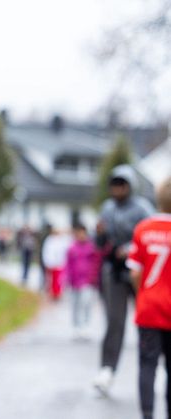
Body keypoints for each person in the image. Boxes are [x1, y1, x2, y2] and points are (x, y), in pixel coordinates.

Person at [93, 164, 154, 395]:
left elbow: (149, 238)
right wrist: (99, 234)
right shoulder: (107, 209)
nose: (118, 189)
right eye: (114, 184)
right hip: (114, 272)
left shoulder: (142, 208)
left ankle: (150, 367)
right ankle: (107, 369)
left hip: (138, 272)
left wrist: (130, 249)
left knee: (146, 320)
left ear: (130, 185)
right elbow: (98, 244)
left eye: (123, 184)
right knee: (115, 321)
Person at [126, 176, 171, 419]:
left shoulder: (144, 228)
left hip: (150, 308)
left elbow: (135, 271)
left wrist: (142, 292)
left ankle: (147, 414)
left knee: (147, 365)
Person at [63, 223, 100, 339]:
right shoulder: (72, 248)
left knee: (86, 303)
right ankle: (76, 326)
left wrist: (94, 278)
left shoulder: (91, 247)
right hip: (74, 281)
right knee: (75, 305)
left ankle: (85, 325)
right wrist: (67, 278)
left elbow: (96, 263)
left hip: (87, 281)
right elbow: (68, 264)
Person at [41, 228, 71, 300]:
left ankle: (57, 293)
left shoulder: (63, 240)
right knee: (51, 279)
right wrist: (47, 262)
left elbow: (65, 251)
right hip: (51, 263)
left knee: (58, 280)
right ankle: (52, 293)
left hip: (60, 263)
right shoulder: (49, 240)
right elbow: (47, 252)